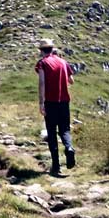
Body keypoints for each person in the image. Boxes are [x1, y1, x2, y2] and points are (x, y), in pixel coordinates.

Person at [36, 38, 75, 176]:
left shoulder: (42, 63)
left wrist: (41, 103)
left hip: (50, 102)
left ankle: (56, 166)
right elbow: (71, 80)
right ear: (52, 49)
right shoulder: (63, 62)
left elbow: (42, 83)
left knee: (51, 133)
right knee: (65, 129)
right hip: (64, 101)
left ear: (41, 50)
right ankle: (69, 147)